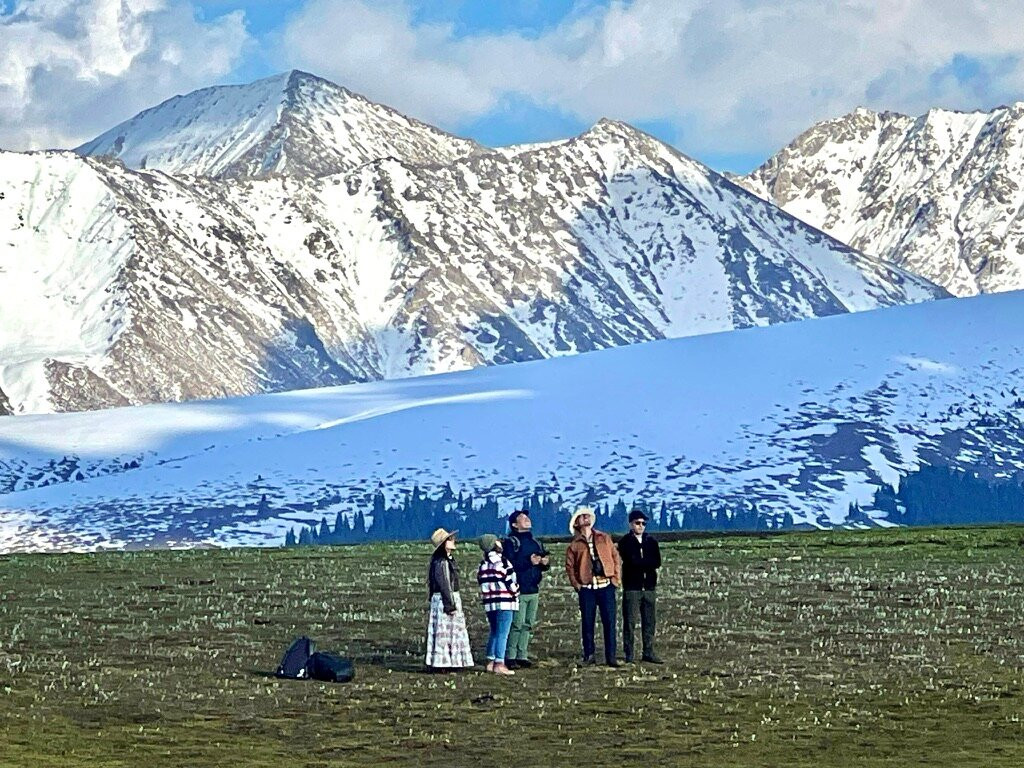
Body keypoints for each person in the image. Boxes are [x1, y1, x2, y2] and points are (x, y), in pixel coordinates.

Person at [564, 506, 621, 667]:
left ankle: (611, 656)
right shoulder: (574, 545)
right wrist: (577, 585)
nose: (585, 518)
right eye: (581, 517)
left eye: (587, 516)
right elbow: (570, 567)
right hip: (587, 588)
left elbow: (615, 558)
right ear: (577, 523)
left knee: (609, 622)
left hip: (606, 585)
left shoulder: (604, 538)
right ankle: (589, 655)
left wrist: (615, 579)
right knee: (587, 623)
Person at [501, 509, 550, 669]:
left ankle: (522, 654)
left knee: (528, 623)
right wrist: (529, 562)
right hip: (518, 590)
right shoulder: (510, 543)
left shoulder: (536, 542)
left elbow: (544, 566)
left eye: (527, 517)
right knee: (517, 623)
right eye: (522, 518)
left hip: (533, 589)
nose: (527, 519)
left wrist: (544, 563)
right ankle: (510, 656)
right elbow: (509, 566)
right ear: (515, 524)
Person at [617, 509, 664, 664]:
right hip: (632, 588)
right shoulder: (625, 542)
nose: (641, 526)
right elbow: (630, 561)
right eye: (638, 523)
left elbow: (657, 562)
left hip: (649, 587)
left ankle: (648, 651)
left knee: (649, 621)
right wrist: (644, 563)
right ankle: (629, 653)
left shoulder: (652, 542)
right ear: (631, 524)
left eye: (644, 523)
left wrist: (640, 563)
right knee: (630, 622)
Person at [425, 528, 474, 671]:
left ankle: (447, 661)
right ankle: (445, 662)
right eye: (450, 539)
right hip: (445, 599)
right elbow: (445, 584)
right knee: (447, 633)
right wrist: (450, 605)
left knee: (449, 633)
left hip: (445, 599)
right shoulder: (442, 562)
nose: (453, 541)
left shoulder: (445, 560)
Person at [476, 534, 520, 675]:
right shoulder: (502, 563)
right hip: (505, 602)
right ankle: (499, 663)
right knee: (503, 633)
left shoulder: (483, 565)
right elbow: (509, 582)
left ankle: (490, 660)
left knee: (494, 631)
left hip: (490, 603)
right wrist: (516, 591)